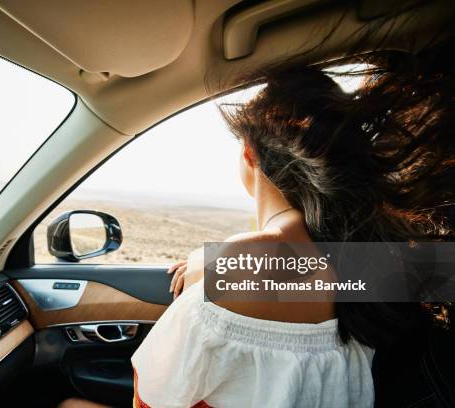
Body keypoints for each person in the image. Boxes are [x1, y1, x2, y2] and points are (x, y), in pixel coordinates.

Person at [59, 34, 455, 408]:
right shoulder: (368, 262)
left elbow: (151, 397)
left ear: (249, 153)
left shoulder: (238, 264)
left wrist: (212, 264)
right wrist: (213, 262)